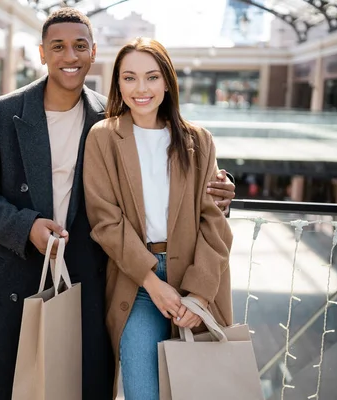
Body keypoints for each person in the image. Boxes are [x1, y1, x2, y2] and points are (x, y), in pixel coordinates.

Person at [0, 9, 235, 400]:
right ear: (42, 53)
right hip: (11, 273)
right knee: (6, 384)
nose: (70, 56)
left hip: (85, 273)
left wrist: (222, 186)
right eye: (58, 47)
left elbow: (181, 179)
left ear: (93, 52)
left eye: (80, 46)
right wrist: (25, 226)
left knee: (76, 383)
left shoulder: (110, 118)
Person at [83, 38, 234, 400]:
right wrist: (152, 282)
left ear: (167, 82)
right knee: (142, 392)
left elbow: (213, 221)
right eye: (129, 78)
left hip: (196, 279)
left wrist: (198, 295)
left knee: (197, 390)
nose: (142, 89)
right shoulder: (103, 138)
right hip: (136, 283)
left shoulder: (198, 140)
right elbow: (106, 221)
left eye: (151, 77)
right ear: (118, 84)